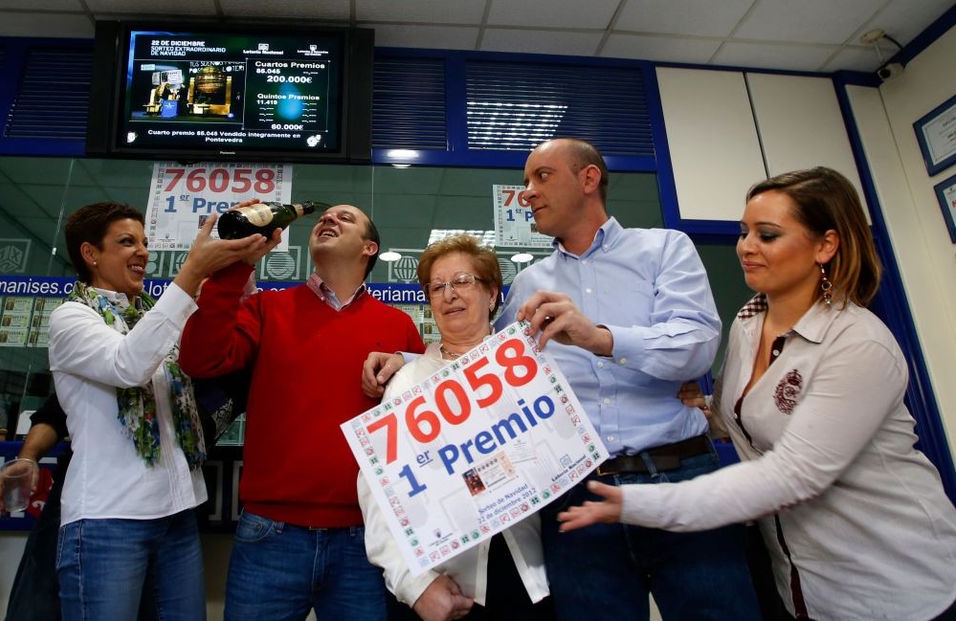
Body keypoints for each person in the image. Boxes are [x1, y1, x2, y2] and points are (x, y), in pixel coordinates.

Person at [365, 138, 761, 621]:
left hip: (677, 475)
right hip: (578, 496)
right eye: (526, 182)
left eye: (541, 177)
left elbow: (697, 344)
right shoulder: (530, 284)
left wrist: (599, 337)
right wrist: (410, 364)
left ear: (589, 179)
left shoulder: (664, 249)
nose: (527, 193)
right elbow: (483, 355)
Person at [556, 167, 956, 621]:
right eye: (744, 232)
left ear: (825, 245)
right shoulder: (749, 323)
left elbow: (788, 476)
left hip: (896, 583)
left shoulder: (857, 343)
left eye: (767, 235)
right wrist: (700, 412)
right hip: (802, 584)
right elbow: (741, 418)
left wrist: (636, 500)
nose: (746, 247)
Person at [179, 202, 425, 621]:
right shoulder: (266, 309)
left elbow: (423, 420)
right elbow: (201, 361)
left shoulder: (399, 326)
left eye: (345, 218)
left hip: (366, 540)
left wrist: (408, 360)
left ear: (369, 248)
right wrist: (235, 268)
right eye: (324, 217)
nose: (328, 219)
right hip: (270, 533)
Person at [48, 202, 263, 620]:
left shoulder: (154, 313)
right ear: (90, 254)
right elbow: (128, 365)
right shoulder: (71, 318)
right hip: (107, 520)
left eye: (144, 241)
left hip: (176, 513)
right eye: (127, 242)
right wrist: (191, 272)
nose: (143, 251)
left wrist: (241, 258)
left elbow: (222, 326)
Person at [358, 234, 553, 621]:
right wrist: (413, 585)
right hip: (442, 584)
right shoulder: (408, 383)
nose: (449, 294)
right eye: (437, 286)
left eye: (463, 281)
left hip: (533, 574)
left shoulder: (532, 368)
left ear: (493, 293)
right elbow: (379, 494)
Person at [0, 395, 68, 621]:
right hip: (75, 500)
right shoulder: (92, 364)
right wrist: (27, 459)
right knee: (39, 602)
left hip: (164, 509)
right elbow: (55, 414)